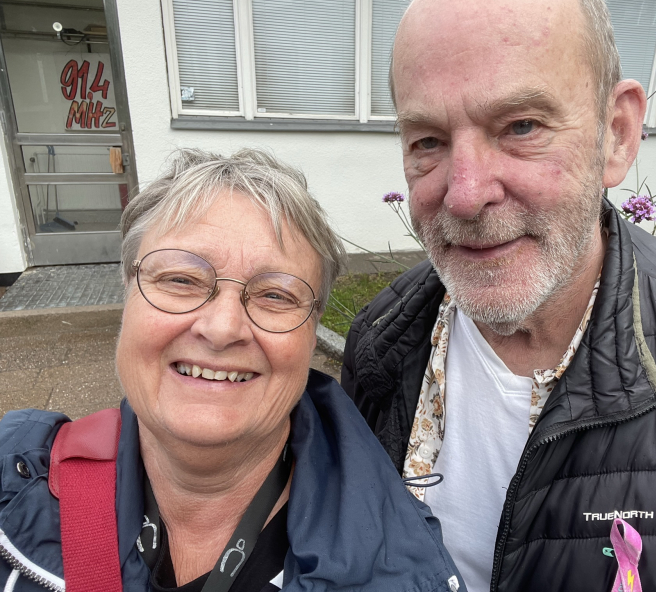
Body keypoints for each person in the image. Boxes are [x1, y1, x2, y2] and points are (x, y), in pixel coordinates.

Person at [341, 0, 656, 590]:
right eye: (427, 140)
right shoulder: (381, 342)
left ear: (617, 135)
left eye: (521, 126)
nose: (465, 194)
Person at [0, 149, 465, 592]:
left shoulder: (405, 566)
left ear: (312, 330)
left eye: (275, 295)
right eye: (181, 279)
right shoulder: (13, 479)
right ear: (128, 293)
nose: (222, 329)